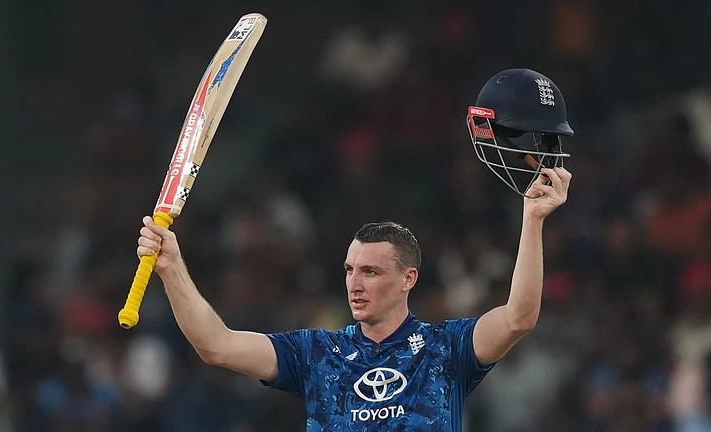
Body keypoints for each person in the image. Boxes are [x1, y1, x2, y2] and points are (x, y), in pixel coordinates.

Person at [136, 68, 573, 431]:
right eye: (349, 270)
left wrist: (532, 219)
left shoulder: (447, 350)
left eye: (370, 271)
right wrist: (172, 268)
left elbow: (520, 316)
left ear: (408, 279)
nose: (354, 283)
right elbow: (217, 345)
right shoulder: (315, 354)